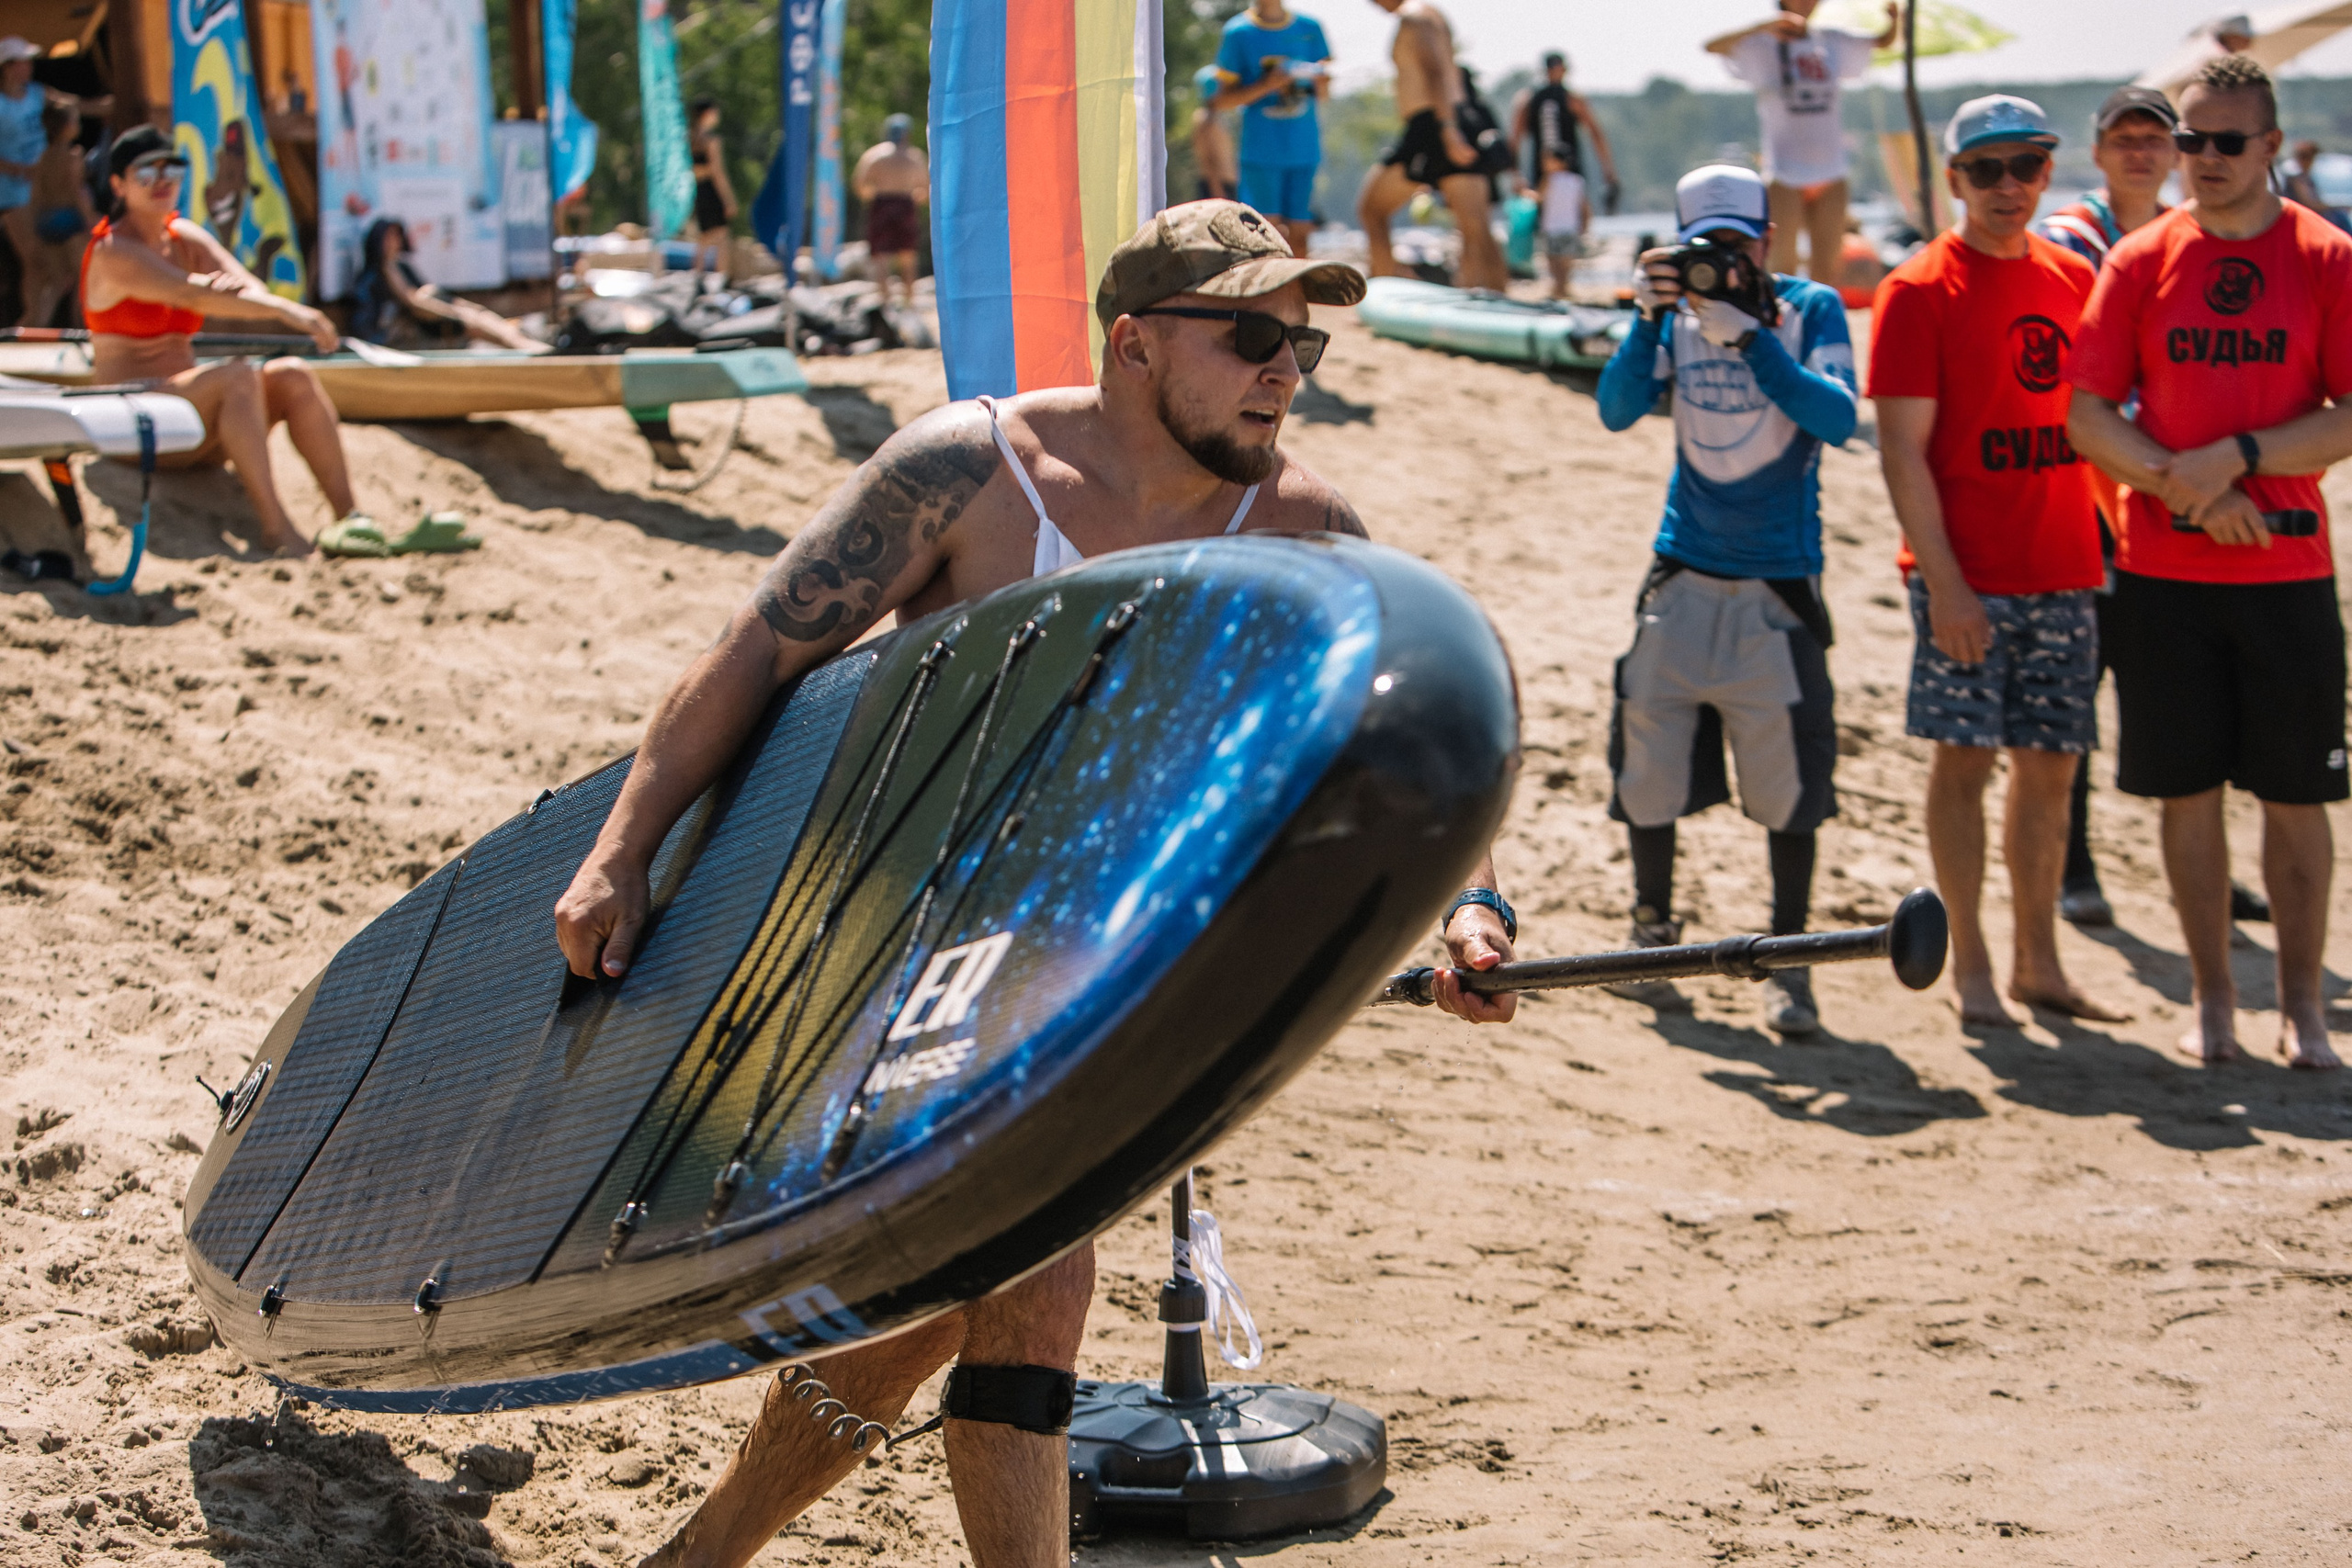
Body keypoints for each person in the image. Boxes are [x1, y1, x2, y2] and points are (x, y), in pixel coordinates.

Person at [552, 199, 1515, 1568]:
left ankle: (703, 1552)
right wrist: (621, 847)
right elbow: (752, 655)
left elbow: (1414, 727)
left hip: (1085, 978)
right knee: (1036, 1268)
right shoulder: (972, 473)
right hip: (881, 942)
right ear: (1133, 340)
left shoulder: (1298, 525)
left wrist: (1473, 908)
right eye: (1248, 332)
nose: (1284, 366)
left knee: (964, 1296)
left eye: (1300, 341)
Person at [2067, 55, 2352, 1071]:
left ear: (2271, 146)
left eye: (2227, 142)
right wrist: (2175, 483)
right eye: (2190, 140)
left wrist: (2234, 461)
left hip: (2287, 576)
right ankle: (2214, 1000)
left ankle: (2303, 1011)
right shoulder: (2140, 260)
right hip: (2164, 577)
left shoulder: (2324, 256)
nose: (2203, 159)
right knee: (2184, 797)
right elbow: (2087, 413)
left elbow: (2346, 417)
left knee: (2296, 800)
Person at [1871, 95, 2123, 1029]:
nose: (2007, 186)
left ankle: (2038, 963)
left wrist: (2122, 532)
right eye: (1986, 169)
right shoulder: (1916, 288)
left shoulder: (2072, 278)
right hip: (1962, 575)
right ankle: (1971, 966)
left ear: (2048, 172)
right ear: (1953, 181)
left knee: (2051, 770)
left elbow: (2097, 426)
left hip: (2065, 565)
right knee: (1964, 764)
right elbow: (1901, 453)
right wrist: (1945, 586)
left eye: (2024, 165)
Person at [1594, 165, 1858, 1034]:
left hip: (1777, 583)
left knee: (1790, 784)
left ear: (1768, 241)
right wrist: (1645, 318)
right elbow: (1617, 410)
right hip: (1682, 567)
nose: (1724, 263)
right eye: (1706, 248)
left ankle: (1788, 962)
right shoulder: (1671, 313)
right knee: (1648, 763)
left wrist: (1753, 339)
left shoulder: (1808, 307)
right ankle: (1651, 932)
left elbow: (1837, 417)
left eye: (1739, 245)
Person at [2028, 85, 2179, 928]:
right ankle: (2073, 865)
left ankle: (2194, 867)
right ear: (2099, 151)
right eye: (2124, 138)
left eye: (2153, 138)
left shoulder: (2187, 234)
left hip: (2165, 496)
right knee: (2076, 695)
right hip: (2089, 499)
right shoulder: (2070, 240)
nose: (2139, 151)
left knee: (2170, 691)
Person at [80, 125, 366, 558]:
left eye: (172, 168)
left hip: (193, 416)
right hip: (132, 421)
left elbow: (246, 287)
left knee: (292, 375)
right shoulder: (113, 250)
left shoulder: (186, 238)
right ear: (118, 184)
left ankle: (351, 518)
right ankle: (277, 529)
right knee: (236, 376)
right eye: (145, 172)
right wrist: (288, 312)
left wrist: (269, 303)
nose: (162, 181)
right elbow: (190, 292)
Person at [1706, 2, 1899, 285]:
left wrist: (1893, 18)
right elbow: (1712, 46)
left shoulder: (1830, 39)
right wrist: (1763, 26)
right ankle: (1784, 323)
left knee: (1828, 268)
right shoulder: (1762, 42)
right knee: (1781, 266)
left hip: (1831, 172)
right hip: (1784, 173)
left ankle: (1819, 323)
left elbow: (1882, 41)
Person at [1357, 0, 1506, 291]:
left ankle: (1384, 293)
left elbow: (1435, 72)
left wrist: (1448, 130)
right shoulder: (1431, 14)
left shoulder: (1414, 18)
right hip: (1448, 120)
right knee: (1476, 227)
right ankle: (1499, 299)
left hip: (1433, 124)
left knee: (1371, 210)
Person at [1212, 0, 1331, 260]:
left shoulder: (1310, 28)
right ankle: (1266, 298)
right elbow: (1221, 101)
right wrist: (1268, 84)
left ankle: (1298, 298)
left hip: (1304, 150)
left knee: (1301, 234)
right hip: (1260, 152)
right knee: (1265, 235)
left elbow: (1324, 95)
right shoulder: (1238, 32)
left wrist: (1321, 81)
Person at [350, 217, 544, 352]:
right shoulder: (373, 277)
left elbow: (425, 294)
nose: (393, 242)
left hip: (434, 317)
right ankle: (524, 345)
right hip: (411, 330)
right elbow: (407, 304)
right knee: (472, 322)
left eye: (396, 236)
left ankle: (525, 343)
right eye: (388, 238)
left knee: (476, 314)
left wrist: (456, 309)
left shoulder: (402, 268)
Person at [1, 98, 93, 329]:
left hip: (47, 222)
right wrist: (90, 218)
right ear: (68, 126)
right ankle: (81, 328)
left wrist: (35, 224)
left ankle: (32, 324)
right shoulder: (73, 155)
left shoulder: (43, 157)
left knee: (54, 279)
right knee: (84, 278)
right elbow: (75, 191)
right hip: (70, 221)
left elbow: (37, 194)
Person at [1510, 51, 1619, 223]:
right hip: (1552, 171)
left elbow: (1595, 134)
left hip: (1561, 169)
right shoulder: (1537, 99)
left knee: (1572, 215)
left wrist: (1608, 171)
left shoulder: (1540, 98)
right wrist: (1515, 174)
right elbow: (1515, 140)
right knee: (1551, 216)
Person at [853, 113, 928, 306]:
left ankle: (885, 302)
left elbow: (859, 184)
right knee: (908, 256)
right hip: (906, 203)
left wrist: (872, 195)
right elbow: (926, 189)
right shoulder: (915, 156)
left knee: (882, 257)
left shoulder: (875, 155)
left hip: (882, 204)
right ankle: (909, 302)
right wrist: (914, 197)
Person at [0, 36, 45, 323]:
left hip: (41, 193)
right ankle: (28, 323)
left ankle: (35, 320)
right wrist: (16, 169)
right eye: (23, 61)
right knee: (34, 262)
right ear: (7, 67)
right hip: (12, 197)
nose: (29, 66)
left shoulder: (38, 94)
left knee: (48, 265)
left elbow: (73, 106)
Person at [687, 99, 737, 278]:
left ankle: (696, 278)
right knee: (722, 237)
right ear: (707, 114)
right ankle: (720, 280)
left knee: (704, 238)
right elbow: (718, 173)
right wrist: (728, 200)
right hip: (711, 191)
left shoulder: (689, 139)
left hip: (697, 191)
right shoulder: (711, 140)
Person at [1189, 65, 1238, 201]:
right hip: (1217, 187)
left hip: (1227, 184)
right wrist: (1217, 190)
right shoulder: (1204, 119)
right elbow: (1207, 158)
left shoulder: (1219, 116)